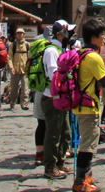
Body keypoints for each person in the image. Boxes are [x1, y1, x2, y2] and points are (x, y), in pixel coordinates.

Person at [71, 18, 105, 192]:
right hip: (89, 106)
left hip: (78, 105)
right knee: (87, 145)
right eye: (102, 34)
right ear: (94, 37)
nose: (104, 37)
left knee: (85, 142)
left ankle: (87, 178)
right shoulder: (94, 57)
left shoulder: (79, 53)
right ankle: (81, 183)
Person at [42, 21, 72, 180]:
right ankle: (50, 166)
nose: (70, 36)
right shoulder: (52, 51)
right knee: (53, 134)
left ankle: (60, 162)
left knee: (65, 132)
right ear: (60, 34)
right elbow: (54, 76)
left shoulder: (60, 49)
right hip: (52, 97)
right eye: (68, 32)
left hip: (61, 97)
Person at [9, 28, 30, 110]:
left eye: (21, 33)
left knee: (25, 88)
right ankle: (12, 101)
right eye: (18, 33)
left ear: (23, 35)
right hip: (15, 69)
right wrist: (11, 67)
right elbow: (9, 57)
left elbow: (30, 57)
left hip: (25, 69)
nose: (19, 35)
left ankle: (24, 103)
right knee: (14, 88)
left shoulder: (27, 45)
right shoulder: (12, 45)